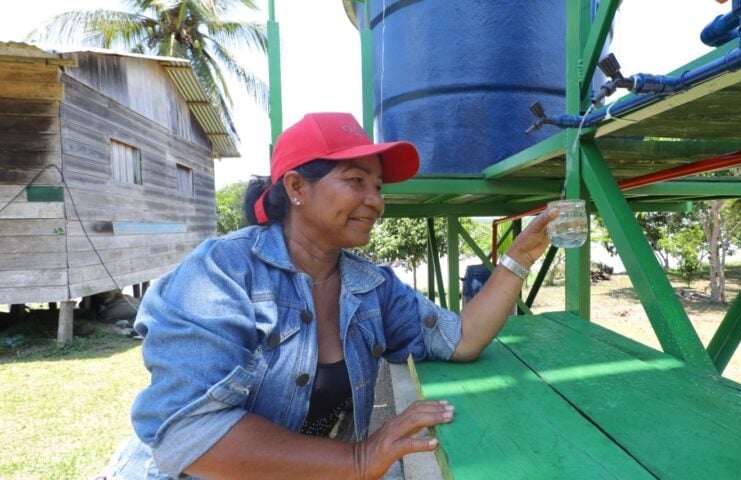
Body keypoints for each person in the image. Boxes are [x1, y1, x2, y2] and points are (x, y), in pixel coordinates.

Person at [102, 112, 556, 479]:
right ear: (297, 188)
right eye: (356, 181)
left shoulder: (371, 285)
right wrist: (358, 459)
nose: (376, 201)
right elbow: (188, 433)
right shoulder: (221, 272)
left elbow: (462, 339)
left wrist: (518, 257)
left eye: (377, 186)